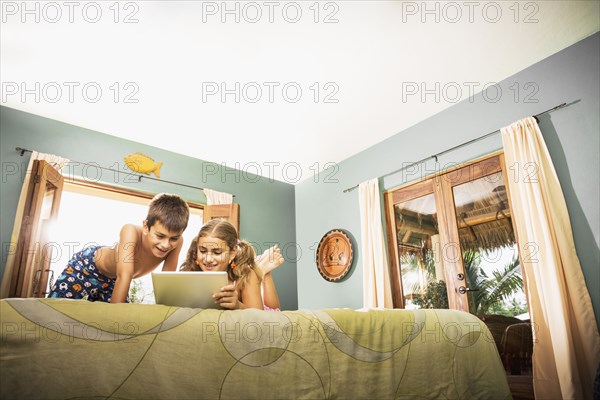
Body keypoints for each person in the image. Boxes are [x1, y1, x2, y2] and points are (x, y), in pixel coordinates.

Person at [48, 193, 190, 303]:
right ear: (146, 227)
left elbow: (166, 283)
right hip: (87, 267)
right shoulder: (130, 231)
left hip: (115, 280)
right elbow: (124, 275)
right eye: (159, 236)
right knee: (54, 309)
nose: (166, 244)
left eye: (174, 238)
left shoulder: (177, 243)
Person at [180, 219, 284, 310]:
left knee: (274, 313)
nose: (208, 259)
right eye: (202, 251)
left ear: (232, 253)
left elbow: (260, 317)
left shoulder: (245, 275)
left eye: (217, 252)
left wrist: (238, 306)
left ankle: (263, 272)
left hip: (264, 311)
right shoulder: (191, 270)